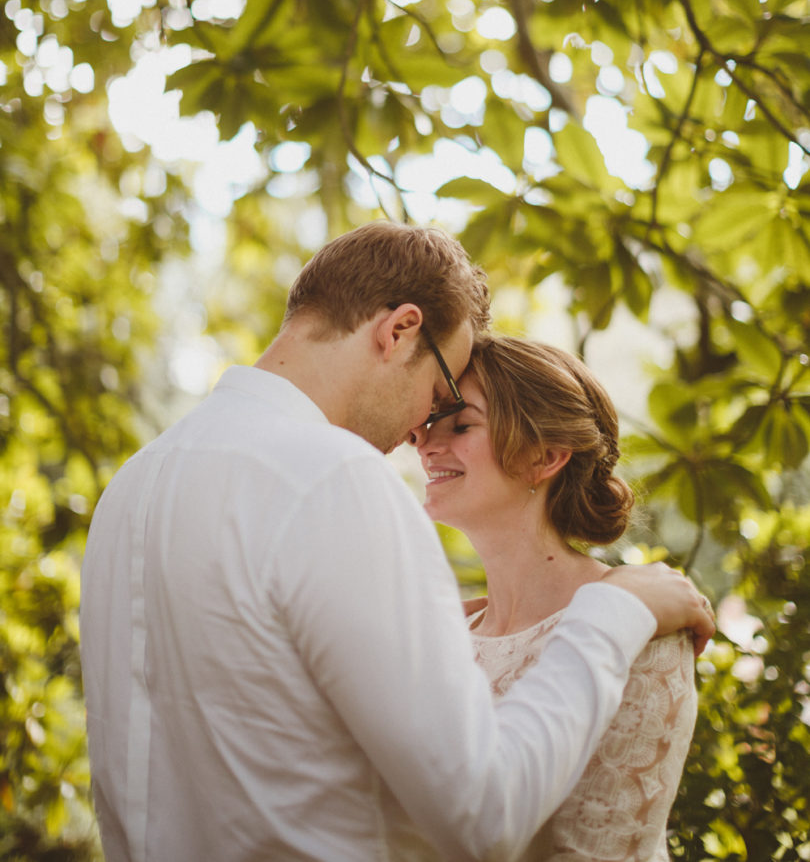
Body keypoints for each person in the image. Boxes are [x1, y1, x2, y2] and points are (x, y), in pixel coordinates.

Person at [80, 221, 713, 862]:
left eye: (452, 414)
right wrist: (613, 613)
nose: (420, 430)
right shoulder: (332, 478)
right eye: (439, 392)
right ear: (399, 329)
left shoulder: (136, 483)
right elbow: (482, 815)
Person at [414, 333, 701, 861]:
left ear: (544, 456)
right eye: (430, 421)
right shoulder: (438, 635)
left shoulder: (646, 628)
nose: (424, 442)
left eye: (460, 423)